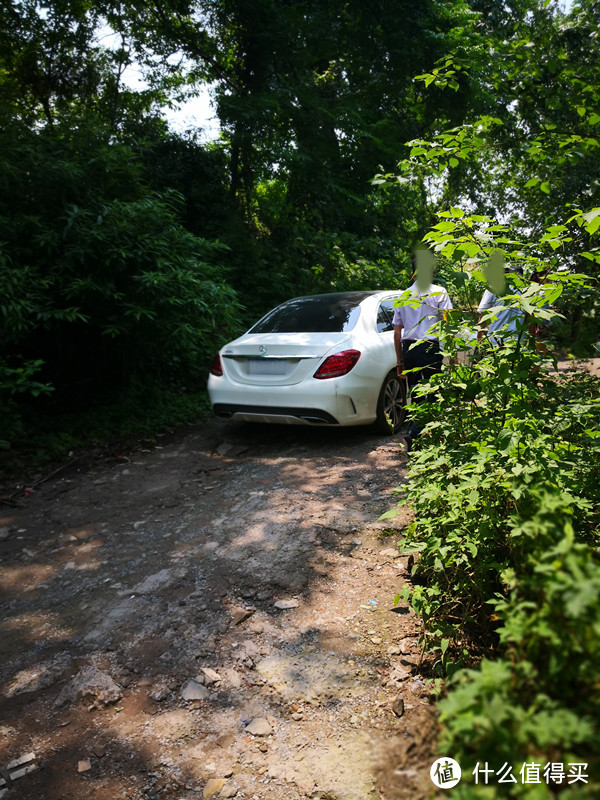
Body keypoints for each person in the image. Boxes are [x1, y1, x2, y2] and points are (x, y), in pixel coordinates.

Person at [393, 260, 453, 451]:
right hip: (430, 347)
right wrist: (450, 353)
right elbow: (448, 322)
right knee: (434, 393)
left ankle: (415, 436)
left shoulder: (403, 296)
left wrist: (399, 360)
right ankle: (423, 435)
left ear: (412, 274)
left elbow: (397, 333)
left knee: (416, 392)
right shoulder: (439, 292)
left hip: (409, 349)